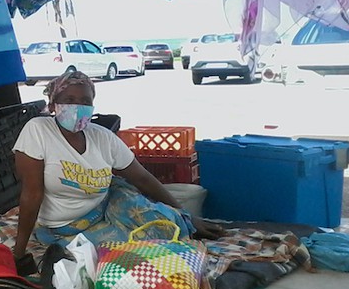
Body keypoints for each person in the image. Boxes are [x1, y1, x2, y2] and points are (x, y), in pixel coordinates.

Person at [12, 70, 224, 258]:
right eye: (69, 99)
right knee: (131, 250)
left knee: (165, 227)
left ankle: (184, 223)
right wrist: (18, 253)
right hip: (64, 228)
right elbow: (32, 194)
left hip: (107, 201)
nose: (77, 107)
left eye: (85, 101)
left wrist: (185, 215)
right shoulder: (38, 131)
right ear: (53, 105)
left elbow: (142, 178)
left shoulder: (103, 137)